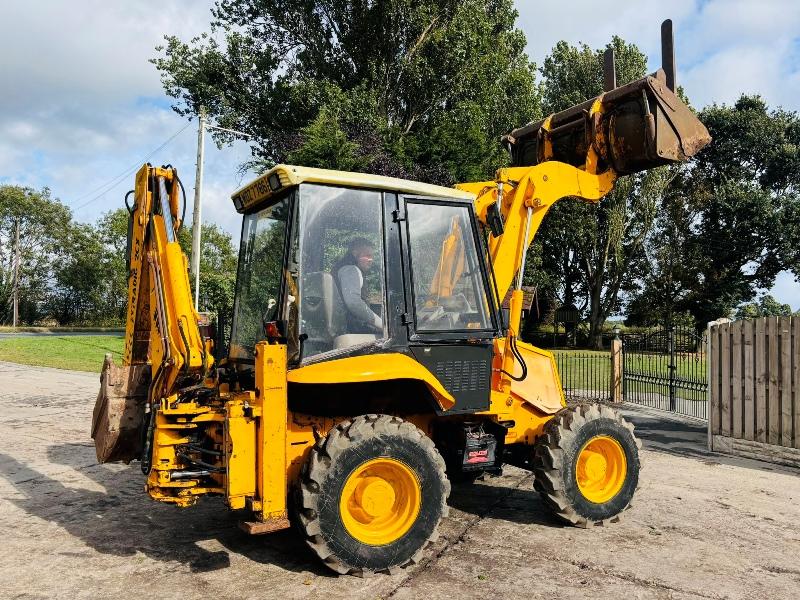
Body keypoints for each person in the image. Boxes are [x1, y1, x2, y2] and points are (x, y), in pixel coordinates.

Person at [333, 238, 383, 334]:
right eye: (367, 255)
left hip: (346, 327)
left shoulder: (342, 268)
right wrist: (383, 326)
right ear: (355, 254)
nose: (371, 260)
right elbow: (354, 303)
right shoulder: (351, 270)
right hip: (351, 329)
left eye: (372, 256)